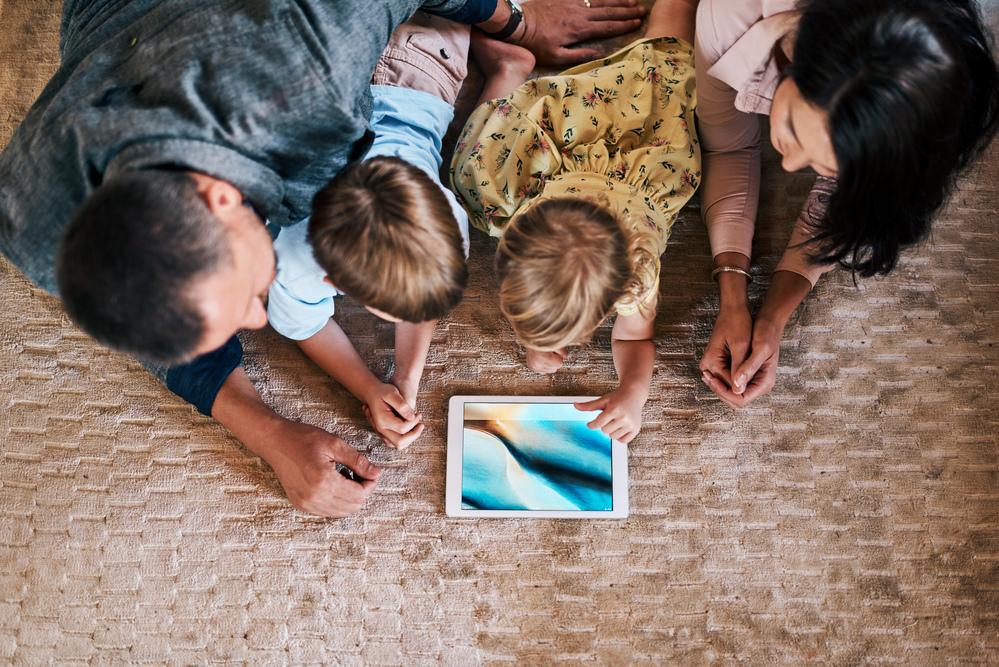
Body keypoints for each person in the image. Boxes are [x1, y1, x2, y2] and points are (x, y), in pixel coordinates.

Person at [0, 0, 649, 517]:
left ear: (220, 197)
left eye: (248, 297)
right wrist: (268, 433)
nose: (260, 319)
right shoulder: (33, 230)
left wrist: (518, 17)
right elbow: (159, 330)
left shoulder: (310, 61)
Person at [695, 0, 999, 409]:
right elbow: (729, 151)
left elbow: (847, 204)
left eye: (823, 163)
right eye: (789, 126)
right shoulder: (728, 18)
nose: (787, 164)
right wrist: (731, 295)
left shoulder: (937, 107)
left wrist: (771, 319)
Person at [451, 0, 700, 444]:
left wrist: (633, 392)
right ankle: (507, 71)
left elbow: (634, 341)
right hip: (571, 135)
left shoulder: (638, 274)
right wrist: (536, 339)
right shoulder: (520, 198)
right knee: (474, 172)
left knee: (666, 62)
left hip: (624, 146)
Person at [267, 15, 472, 451]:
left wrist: (406, 375)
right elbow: (304, 327)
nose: (414, 320)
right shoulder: (291, 259)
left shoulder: (448, 225)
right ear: (333, 281)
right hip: (413, 65)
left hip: (408, 69)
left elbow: (421, 297)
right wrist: (367, 386)